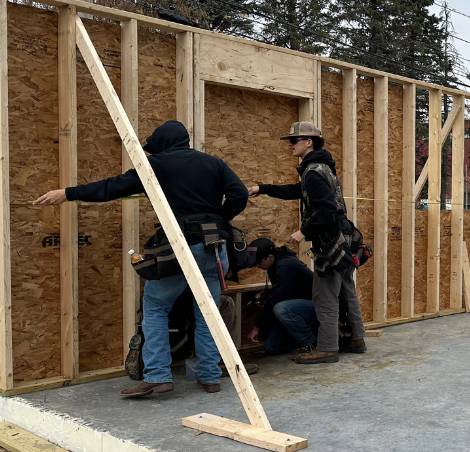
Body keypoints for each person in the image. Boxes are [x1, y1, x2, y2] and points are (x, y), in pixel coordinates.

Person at [34, 120, 248, 397]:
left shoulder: (156, 164)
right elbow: (239, 194)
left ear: (162, 143)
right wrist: (218, 218)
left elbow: (113, 187)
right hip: (215, 247)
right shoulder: (213, 163)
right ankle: (210, 377)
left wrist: (68, 193)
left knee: (156, 306)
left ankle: (158, 376)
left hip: (181, 247)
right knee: (207, 312)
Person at [249, 121, 366, 364]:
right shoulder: (321, 168)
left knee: (324, 297)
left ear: (309, 142)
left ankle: (327, 348)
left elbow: (326, 210)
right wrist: (264, 188)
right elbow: (298, 191)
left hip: (330, 241)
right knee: (346, 291)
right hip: (344, 237)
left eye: (294, 140)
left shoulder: (313, 172)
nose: (290, 145)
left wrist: (304, 231)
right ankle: (356, 339)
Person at [245, 238, 319, 355]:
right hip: (295, 309)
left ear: (270, 257)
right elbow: (282, 292)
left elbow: (277, 298)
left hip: (314, 308)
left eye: (258, 263)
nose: (257, 266)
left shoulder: (286, 265)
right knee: (272, 348)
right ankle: (307, 337)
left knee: (280, 309)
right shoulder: (274, 265)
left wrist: (257, 327)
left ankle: (311, 343)